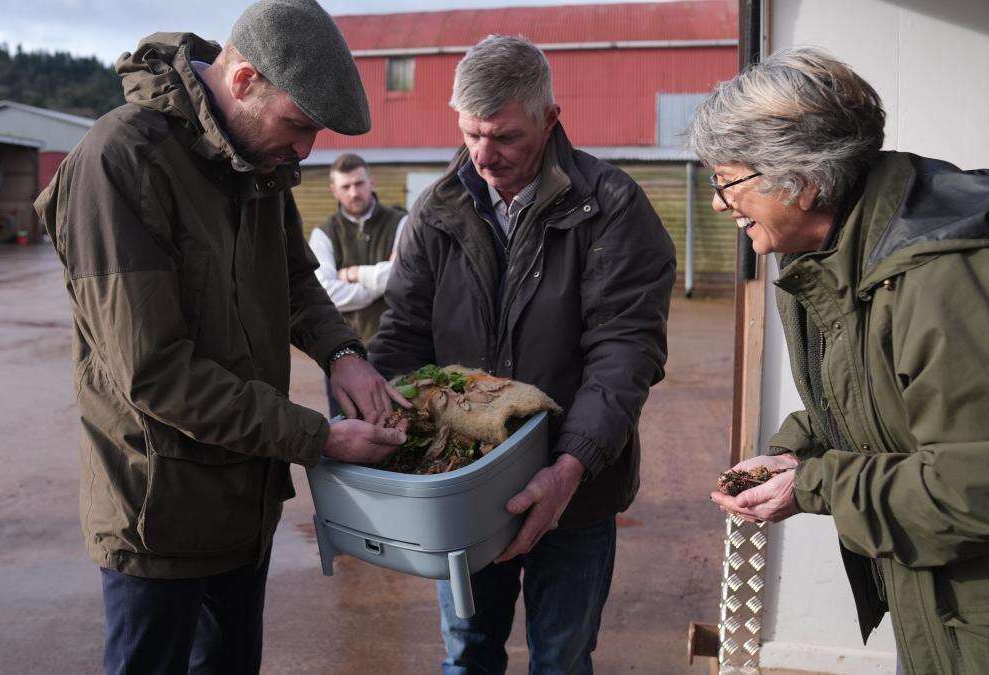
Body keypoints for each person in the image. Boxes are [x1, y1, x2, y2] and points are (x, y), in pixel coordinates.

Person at [33, 1, 410, 672]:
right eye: (299, 125)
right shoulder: (120, 163)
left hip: (244, 506)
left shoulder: (257, 161)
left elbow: (295, 282)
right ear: (243, 82)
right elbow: (156, 374)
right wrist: (317, 438)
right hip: (160, 517)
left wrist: (343, 352)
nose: (306, 151)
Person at [693, 48, 989, 674]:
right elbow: (881, 400)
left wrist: (813, 484)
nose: (718, 202)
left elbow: (982, 489)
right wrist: (800, 448)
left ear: (803, 179)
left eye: (728, 179)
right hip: (950, 609)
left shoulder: (947, 278)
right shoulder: (843, 256)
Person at [370, 35, 676, 674]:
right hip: (464, 488)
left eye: (505, 137)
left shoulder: (612, 206)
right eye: (471, 134)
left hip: (576, 486)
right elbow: (401, 336)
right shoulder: (437, 211)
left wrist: (569, 468)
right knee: (467, 653)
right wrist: (382, 422)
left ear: (551, 118)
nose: (483, 156)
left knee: (561, 660)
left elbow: (623, 353)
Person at [309, 153, 408, 416]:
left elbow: (405, 277)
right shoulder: (323, 234)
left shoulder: (402, 223)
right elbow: (326, 293)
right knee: (350, 427)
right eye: (346, 186)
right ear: (334, 190)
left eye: (359, 183)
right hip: (345, 355)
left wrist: (353, 274)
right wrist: (382, 281)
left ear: (371, 182)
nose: (354, 193)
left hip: (398, 350)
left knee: (402, 428)